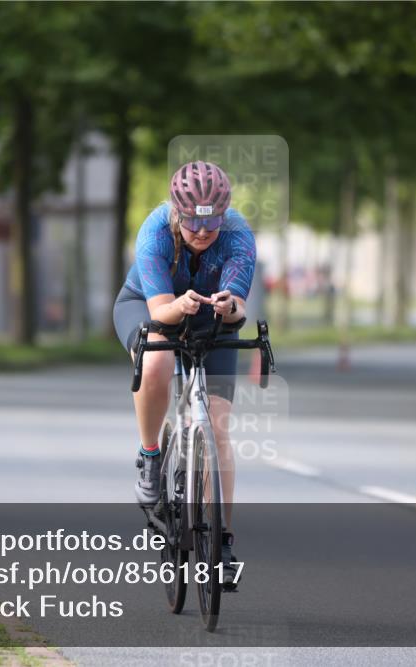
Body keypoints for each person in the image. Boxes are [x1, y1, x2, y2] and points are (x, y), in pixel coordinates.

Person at [112, 160, 256, 586]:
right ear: (177, 212)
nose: (201, 233)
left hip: (209, 315)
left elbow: (240, 311)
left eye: (211, 226)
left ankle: (224, 542)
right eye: (193, 224)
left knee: (219, 424)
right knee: (157, 357)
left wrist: (230, 307)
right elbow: (160, 313)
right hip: (147, 304)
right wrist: (182, 304)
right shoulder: (154, 231)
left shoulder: (238, 235)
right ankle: (150, 455)